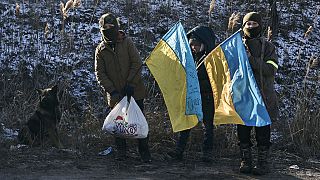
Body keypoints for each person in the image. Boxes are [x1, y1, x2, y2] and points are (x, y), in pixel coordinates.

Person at [94, 13, 151, 163]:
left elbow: (137, 63)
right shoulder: (100, 50)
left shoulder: (127, 43)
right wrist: (112, 90)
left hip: (135, 91)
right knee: (118, 125)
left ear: (116, 27)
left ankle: (145, 153)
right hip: (115, 96)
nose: (107, 30)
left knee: (138, 123)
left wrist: (131, 84)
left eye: (110, 27)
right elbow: (100, 73)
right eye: (104, 27)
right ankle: (121, 154)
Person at [167, 26, 216, 162]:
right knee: (187, 123)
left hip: (207, 97)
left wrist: (197, 83)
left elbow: (214, 81)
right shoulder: (191, 59)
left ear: (204, 44)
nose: (193, 47)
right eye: (191, 45)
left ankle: (207, 154)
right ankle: (179, 151)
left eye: (196, 45)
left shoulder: (212, 59)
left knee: (208, 126)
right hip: (192, 95)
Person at [238, 12, 279, 175]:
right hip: (243, 96)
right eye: (248, 24)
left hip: (263, 96)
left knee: (263, 132)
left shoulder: (268, 47)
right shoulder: (237, 45)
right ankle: (245, 160)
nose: (251, 27)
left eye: (254, 24)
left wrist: (251, 59)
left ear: (260, 26)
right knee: (243, 131)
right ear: (243, 26)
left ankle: (263, 163)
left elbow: (271, 69)